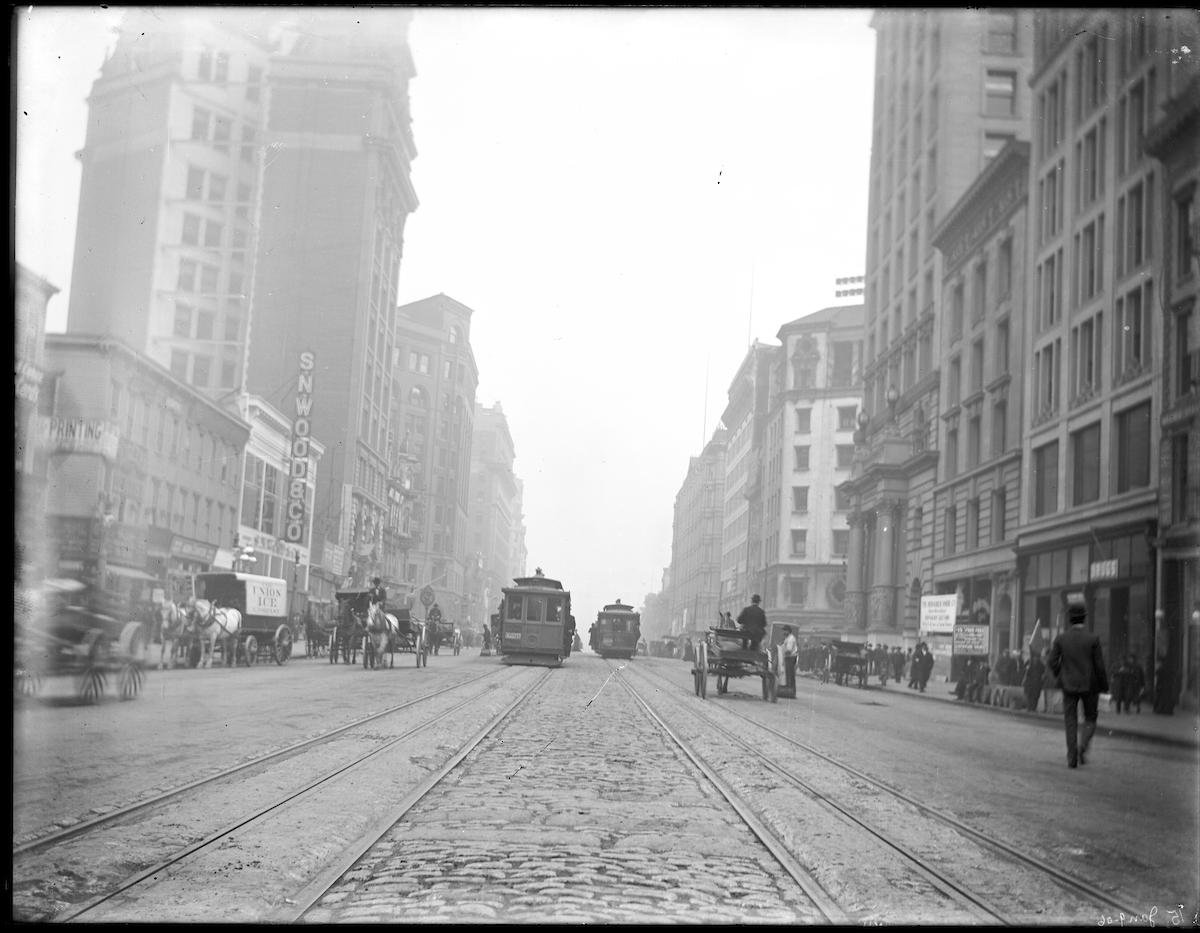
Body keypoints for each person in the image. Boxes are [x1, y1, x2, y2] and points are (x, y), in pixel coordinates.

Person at [1047, 601, 1109, 768]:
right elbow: (1100, 666)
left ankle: (1071, 757)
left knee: (1070, 720)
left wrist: (1061, 674)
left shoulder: (1061, 639)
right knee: (1090, 718)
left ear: (1070, 619)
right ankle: (1083, 747)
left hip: (1068, 685)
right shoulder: (1093, 639)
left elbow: (1051, 661)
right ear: (1084, 618)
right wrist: (1104, 686)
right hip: (1090, 686)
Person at [1022, 645, 1045, 714]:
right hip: (1030, 683)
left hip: (1037, 683)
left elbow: (1043, 672)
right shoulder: (1029, 663)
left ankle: (1033, 708)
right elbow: (1024, 671)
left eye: (1037, 657)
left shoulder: (1040, 664)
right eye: (1034, 657)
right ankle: (1029, 707)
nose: (1035, 658)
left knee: (1036, 696)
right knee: (1029, 695)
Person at [780, 625, 799, 692]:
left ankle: (791, 689)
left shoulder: (791, 638)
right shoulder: (787, 638)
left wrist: (781, 654)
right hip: (788, 657)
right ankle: (789, 688)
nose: (783, 632)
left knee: (790, 674)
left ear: (788, 631)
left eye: (785, 631)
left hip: (790, 657)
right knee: (788, 674)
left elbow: (789, 650)